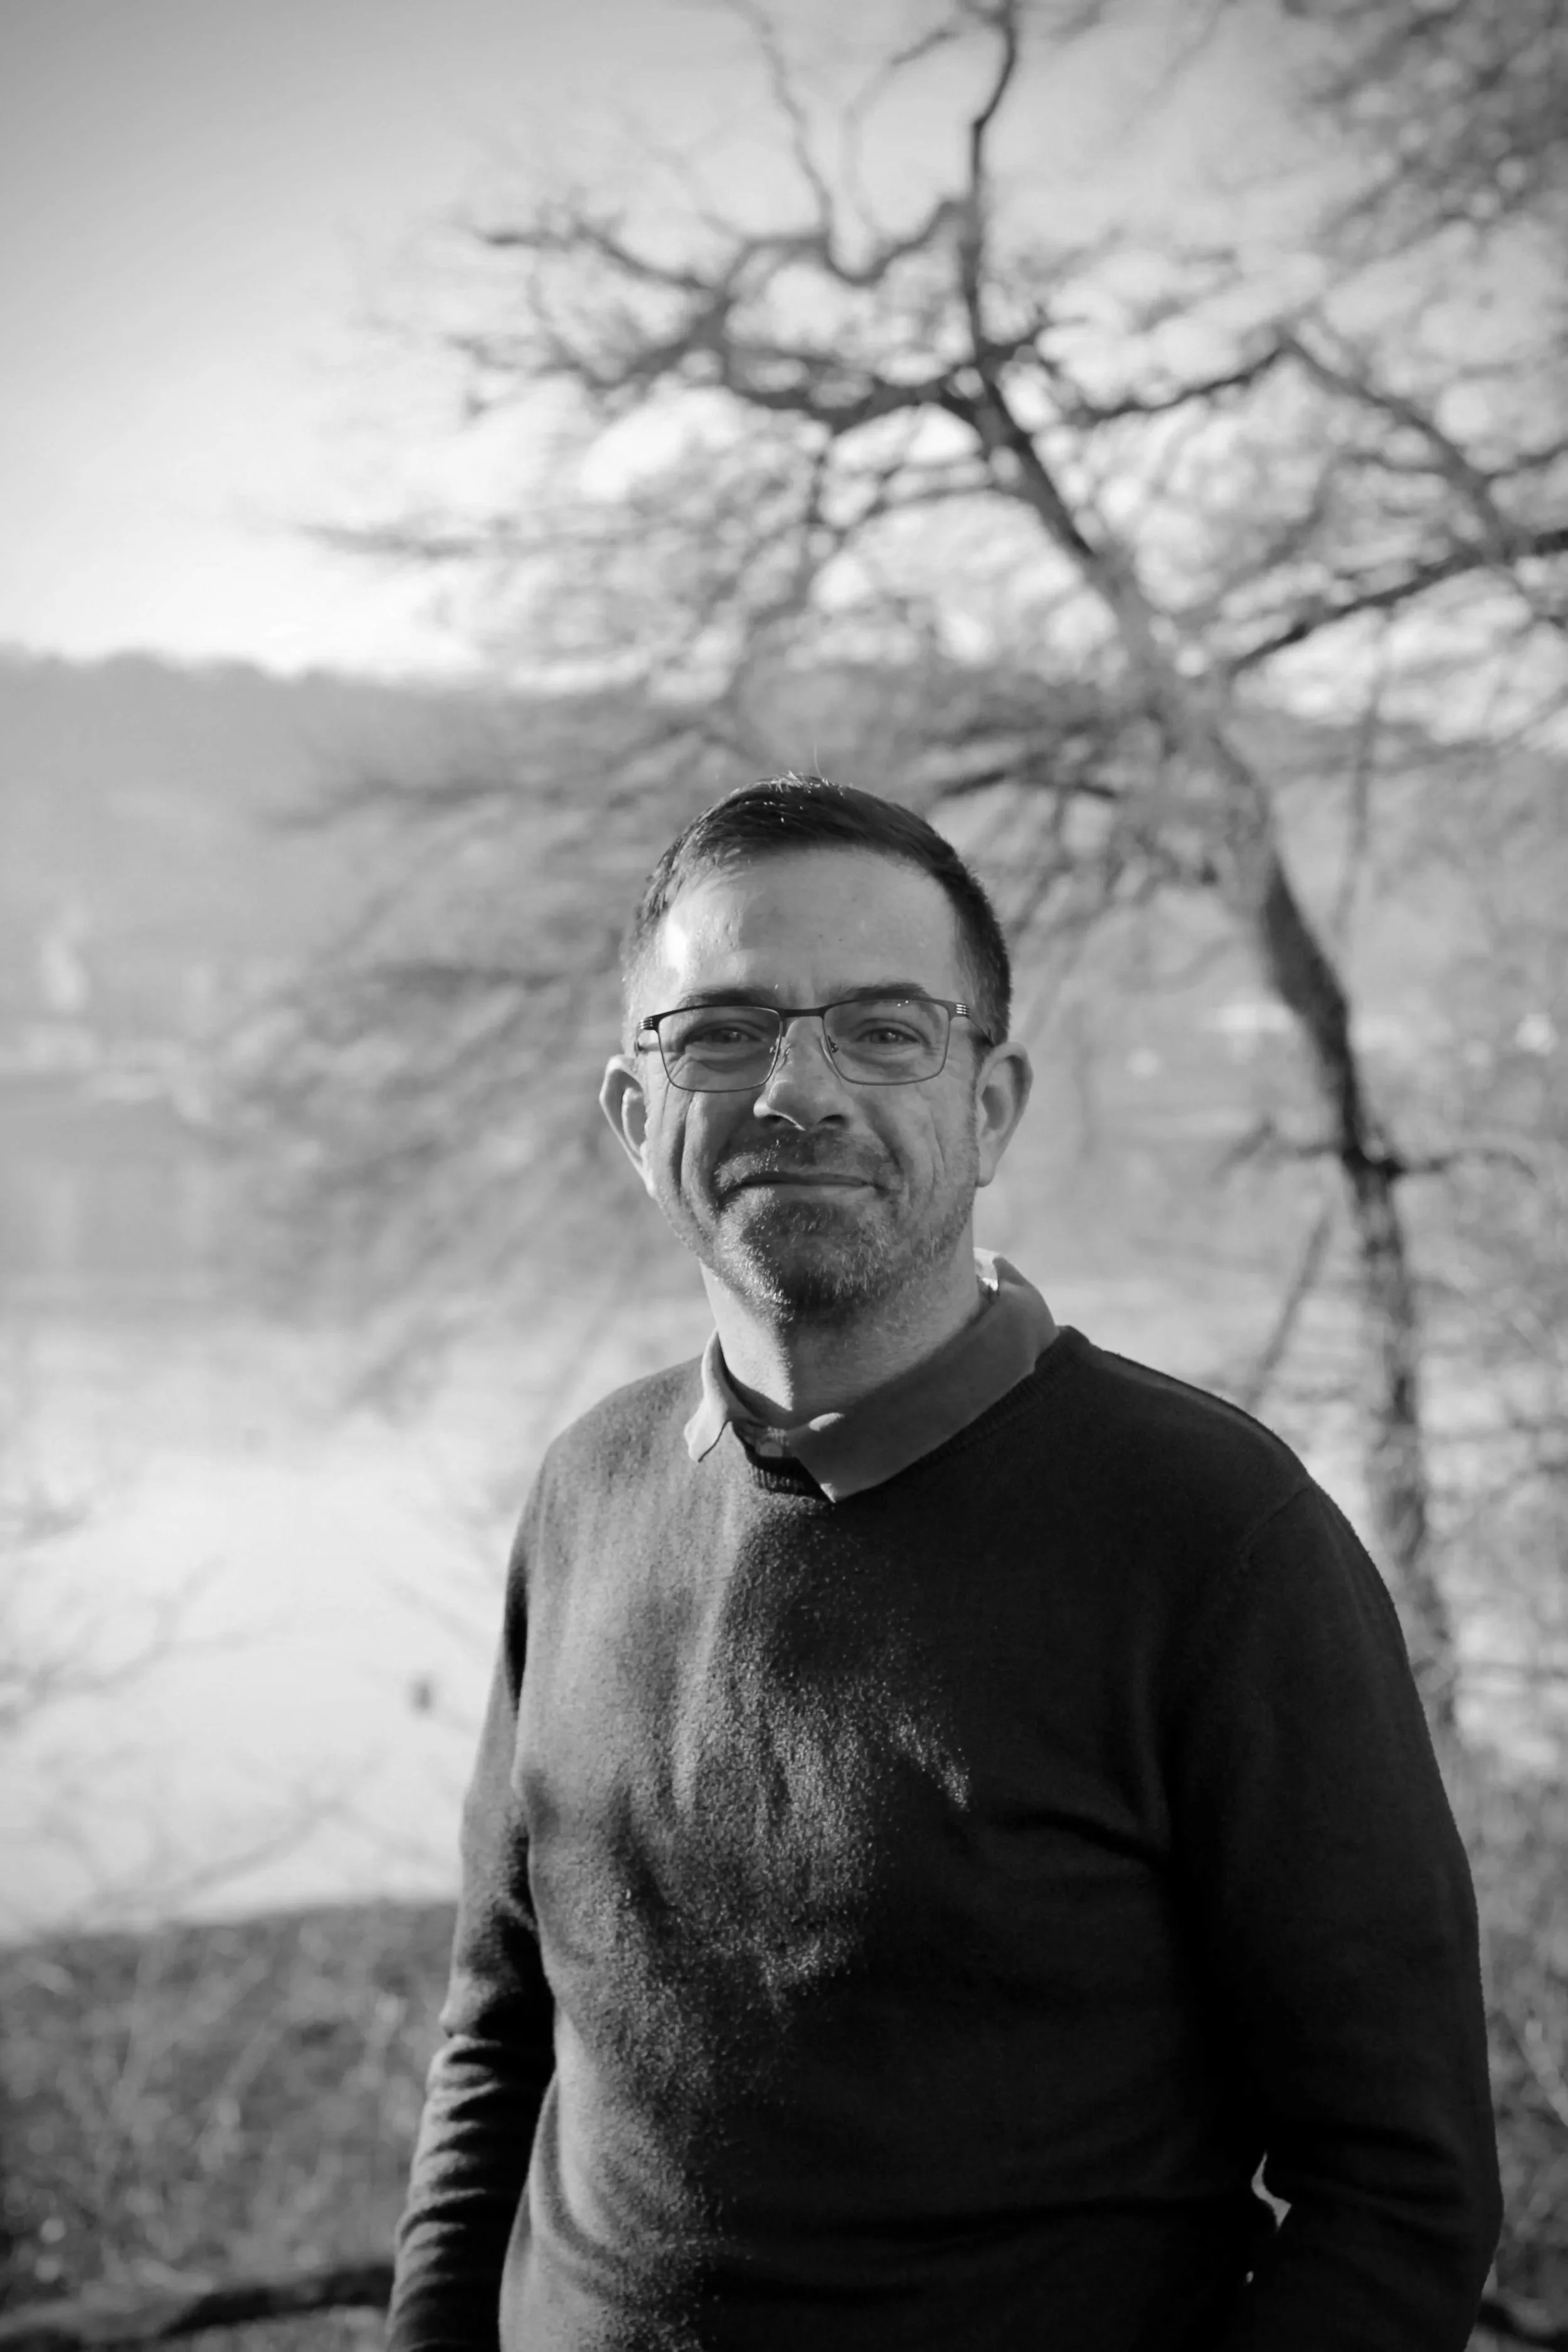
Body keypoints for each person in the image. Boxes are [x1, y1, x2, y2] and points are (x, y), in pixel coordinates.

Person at [387, 774, 1501, 2352]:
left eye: (883, 1030)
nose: (796, 1089)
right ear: (638, 1120)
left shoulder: (1209, 1535)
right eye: (719, 1032)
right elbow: (497, 2037)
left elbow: (1398, 2194)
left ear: (988, 1106)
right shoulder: (586, 1490)